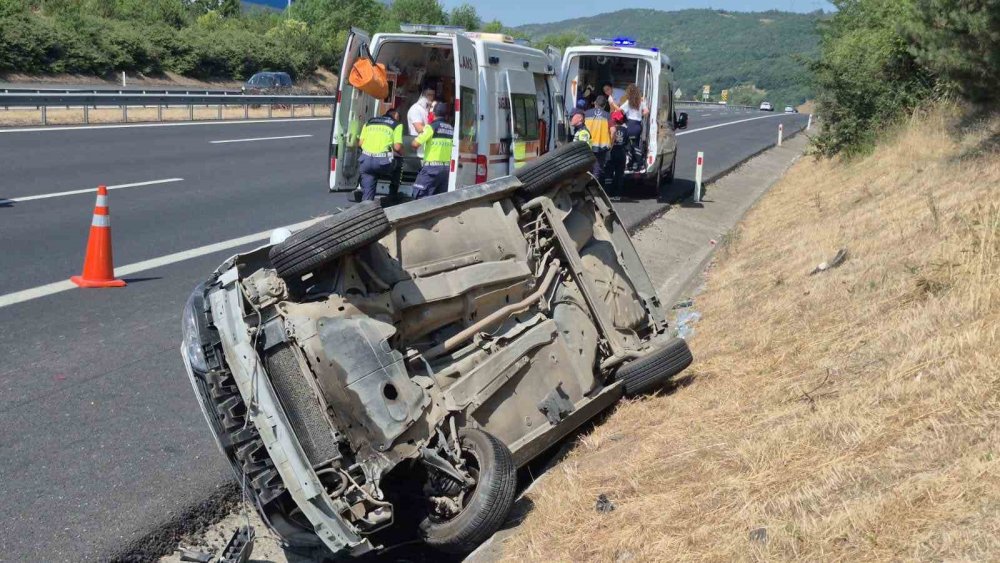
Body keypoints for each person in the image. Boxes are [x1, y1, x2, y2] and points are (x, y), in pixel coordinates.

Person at [358, 108, 404, 201]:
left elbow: (360, 143)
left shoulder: (369, 122)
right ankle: (393, 194)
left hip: (366, 161)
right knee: (399, 162)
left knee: (368, 192)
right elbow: (397, 147)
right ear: (395, 115)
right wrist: (402, 153)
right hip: (383, 163)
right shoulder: (396, 125)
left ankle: (366, 208)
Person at [410, 102, 453, 199]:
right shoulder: (451, 128)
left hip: (431, 170)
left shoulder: (431, 127)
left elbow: (415, 144)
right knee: (438, 200)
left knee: (420, 196)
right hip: (446, 170)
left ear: (433, 114)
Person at [619, 84, 650, 171]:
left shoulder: (628, 102)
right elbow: (647, 112)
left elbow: (620, 110)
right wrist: (640, 115)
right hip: (637, 125)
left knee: (629, 145)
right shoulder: (641, 102)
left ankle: (636, 163)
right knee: (635, 144)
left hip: (630, 124)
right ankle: (634, 163)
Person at [585, 95, 613, 183]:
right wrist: (611, 144)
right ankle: (594, 184)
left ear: (595, 104)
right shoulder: (608, 116)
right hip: (602, 146)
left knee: (586, 166)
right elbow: (613, 131)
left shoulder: (586, 113)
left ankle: (586, 185)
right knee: (598, 166)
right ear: (605, 105)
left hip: (587, 144)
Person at [605, 110, 628, 201]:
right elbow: (626, 143)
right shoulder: (625, 130)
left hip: (611, 153)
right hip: (621, 153)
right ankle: (617, 194)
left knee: (608, 174)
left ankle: (607, 193)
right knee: (619, 175)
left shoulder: (609, 128)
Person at [407, 88, 436, 157]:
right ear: (423, 95)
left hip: (425, 147)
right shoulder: (416, 109)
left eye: (432, 95)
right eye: (429, 95)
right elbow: (419, 128)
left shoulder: (426, 110)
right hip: (417, 147)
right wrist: (436, 128)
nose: (431, 97)